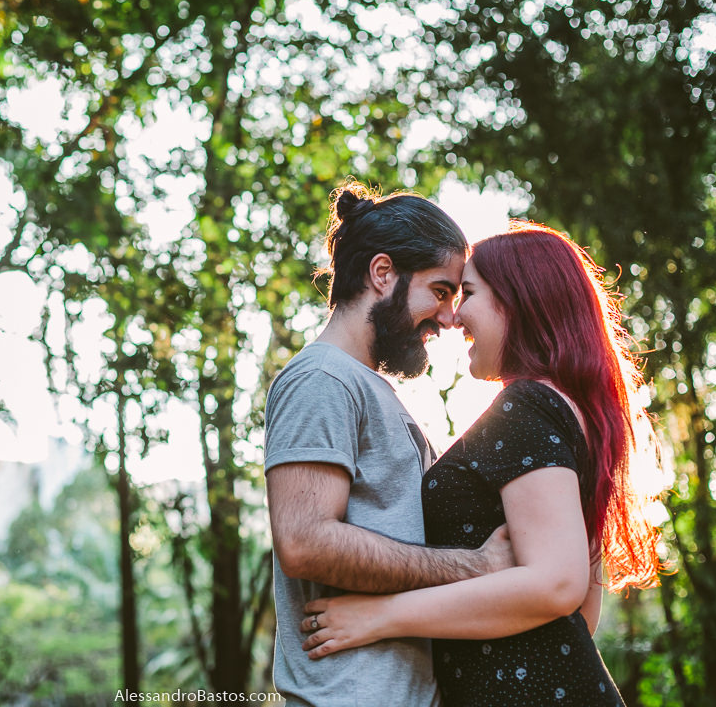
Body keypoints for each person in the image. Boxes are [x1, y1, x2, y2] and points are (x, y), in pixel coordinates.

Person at [299, 222, 664, 707]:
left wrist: (378, 616)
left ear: (517, 301)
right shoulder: (572, 414)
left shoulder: (527, 407)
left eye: (466, 293)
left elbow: (558, 584)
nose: (453, 317)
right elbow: (583, 613)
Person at [265, 182, 514, 707]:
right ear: (383, 274)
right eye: (441, 291)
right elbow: (304, 541)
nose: (450, 317)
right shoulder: (322, 379)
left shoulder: (368, 387)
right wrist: (475, 567)